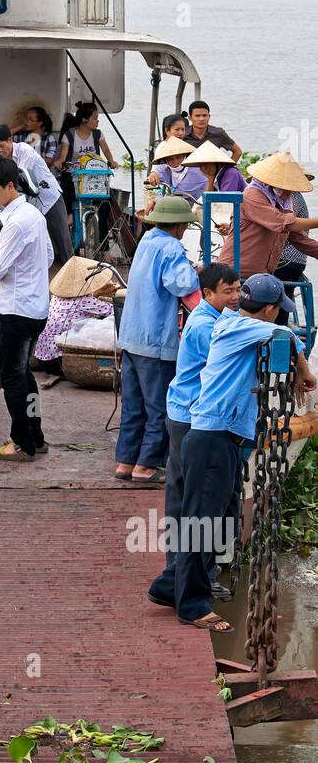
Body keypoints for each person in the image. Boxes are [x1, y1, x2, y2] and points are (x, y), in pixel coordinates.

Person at [167, 274, 315, 631]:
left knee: (222, 520)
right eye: (279, 310)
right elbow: (288, 335)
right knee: (200, 525)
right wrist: (305, 371)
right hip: (212, 438)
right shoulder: (240, 328)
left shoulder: (234, 324)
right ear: (269, 309)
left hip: (224, 439)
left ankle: (166, 586)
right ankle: (192, 606)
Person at [147, 262, 241, 615]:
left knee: (185, 499)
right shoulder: (207, 328)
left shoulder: (211, 319)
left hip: (182, 414)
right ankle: (183, 587)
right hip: (193, 420)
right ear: (209, 293)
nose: (234, 297)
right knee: (201, 506)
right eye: (227, 291)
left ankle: (175, 577)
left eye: (238, 290)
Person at [115, 194, 200, 484]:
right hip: (155, 340)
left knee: (133, 404)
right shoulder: (171, 247)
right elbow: (182, 284)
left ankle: (126, 461)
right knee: (159, 407)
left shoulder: (147, 241)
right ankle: (147, 466)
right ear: (179, 227)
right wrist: (197, 272)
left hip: (131, 336)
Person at [0, 155, 52, 462]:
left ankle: (21, 441)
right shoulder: (34, 215)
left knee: (12, 378)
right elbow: (47, 257)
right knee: (25, 377)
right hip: (36, 308)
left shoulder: (15, 223)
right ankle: (36, 435)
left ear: (10, 186)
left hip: (17, 310)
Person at [218, 151, 318, 279]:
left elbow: (299, 239)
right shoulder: (252, 196)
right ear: (272, 183)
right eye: (287, 185)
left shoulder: (283, 204)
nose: (290, 191)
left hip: (262, 276)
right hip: (235, 274)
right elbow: (287, 223)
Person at [0, 124, 73, 268]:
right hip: (31, 205)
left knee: (63, 245)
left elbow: (21, 181)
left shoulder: (25, 151)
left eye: (1, 146)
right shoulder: (2, 158)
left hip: (49, 199)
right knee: (39, 248)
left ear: (10, 140)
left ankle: (77, 283)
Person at [33, 256, 117, 376]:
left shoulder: (56, 297)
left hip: (42, 357)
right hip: (60, 362)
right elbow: (112, 311)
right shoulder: (85, 300)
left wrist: (97, 293)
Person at [54, 101, 118, 221]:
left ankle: (102, 233)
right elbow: (62, 157)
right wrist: (59, 162)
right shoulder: (69, 135)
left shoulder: (98, 135)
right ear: (84, 120)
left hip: (93, 175)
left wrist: (111, 161)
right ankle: (69, 217)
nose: (97, 121)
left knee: (107, 200)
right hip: (75, 176)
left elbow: (105, 150)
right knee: (66, 189)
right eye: (95, 118)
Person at [146, 136, 207, 203]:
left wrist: (155, 201)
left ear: (185, 155)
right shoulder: (168, 171)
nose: (176, 162)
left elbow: (178, 198)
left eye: (178, 157)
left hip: (200, 207)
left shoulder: (195, 172)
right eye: (171, 159)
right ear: (166, 161)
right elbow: (162, 185)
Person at [181, 140, 247, 195]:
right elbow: (207, 198)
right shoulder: (216, 176)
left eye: (207, 164)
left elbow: (226, 201)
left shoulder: (231, 173)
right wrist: (210, 179)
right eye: (201, 165)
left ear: (216, 162)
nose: (204, 168)